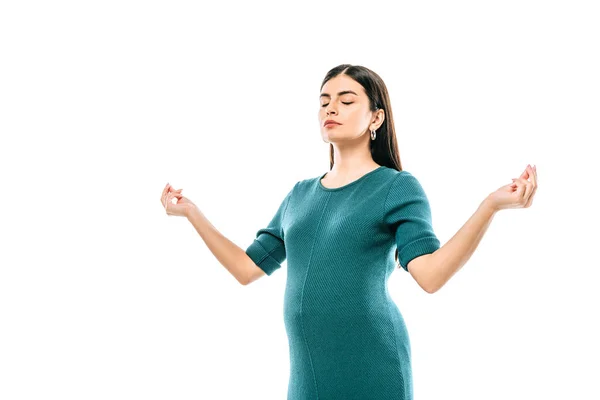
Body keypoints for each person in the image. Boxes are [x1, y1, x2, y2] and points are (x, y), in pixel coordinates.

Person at [159, 64, 538, 400]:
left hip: (372, 366)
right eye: (324, 101)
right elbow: (246, 268)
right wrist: (192, 213)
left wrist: (490, 206)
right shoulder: (299, 194)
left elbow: (431, 275)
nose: (331, 108)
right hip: (307, 376)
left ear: (376, 118)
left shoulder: (396, 187)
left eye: (346, 99)